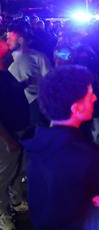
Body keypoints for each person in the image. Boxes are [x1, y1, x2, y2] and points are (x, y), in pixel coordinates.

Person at [23, 65, 99, 230]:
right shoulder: (85, 156)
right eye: (90, 95)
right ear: (76, 108)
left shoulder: (38, 146)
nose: (95, 99)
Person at [0, 40, 30, 230]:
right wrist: (8, 139)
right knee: (3, 175)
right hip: (6, 134)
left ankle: (16, 201)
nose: (12, 53)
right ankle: (2, 212)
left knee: (16, 170)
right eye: (7, 51)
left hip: (18, 129)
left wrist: (25, 83)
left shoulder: (5, 74)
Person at [6, 21, 52, 129]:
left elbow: (50, 80)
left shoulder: (38, 57)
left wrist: (36, 82)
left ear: (21, 39)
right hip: (14, 109)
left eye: (10, 38)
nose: (7, 41)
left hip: (36, 106)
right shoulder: (5, 59)